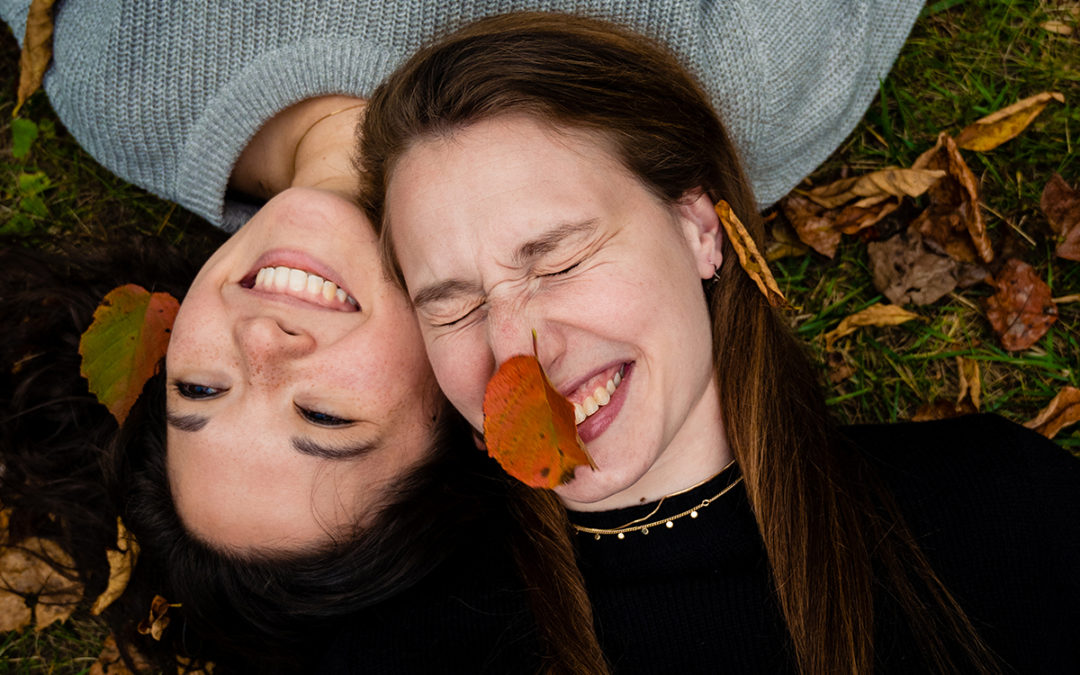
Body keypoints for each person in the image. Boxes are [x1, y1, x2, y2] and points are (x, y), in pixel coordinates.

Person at [356, 12, 1080, 673]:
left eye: (560, 259)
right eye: (454, 308)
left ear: (698, 228)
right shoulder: (409, 654)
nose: (515, 346)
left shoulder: (1001, 512)